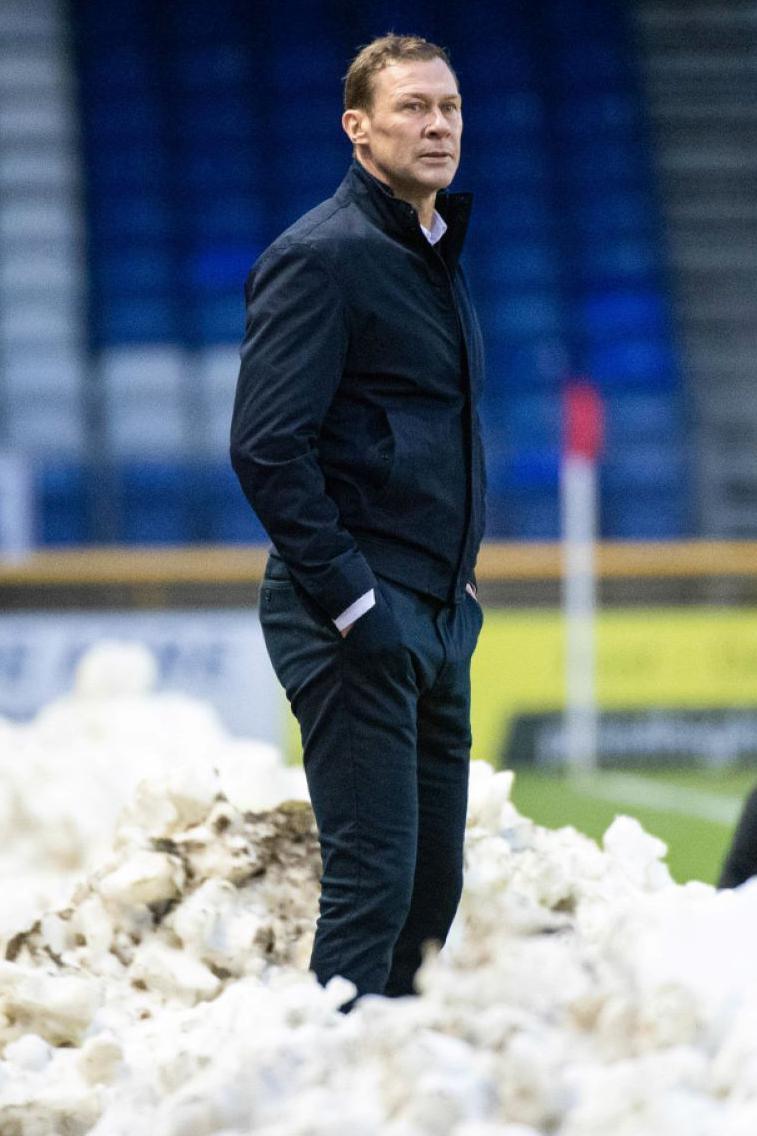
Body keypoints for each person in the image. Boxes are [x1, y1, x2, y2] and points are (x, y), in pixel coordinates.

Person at [230, 33, 486, 1008]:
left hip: (433, 610)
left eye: (449, 108)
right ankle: (321, 1094)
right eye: (412, 108)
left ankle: (388, 1092)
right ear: (357, 126)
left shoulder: (429, 254)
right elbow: (265, 445)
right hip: (354, 611)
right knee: (372, 890)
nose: (436, 125)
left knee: (430, 896)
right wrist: (353, 602)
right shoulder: (321, 258)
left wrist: (454, 595)